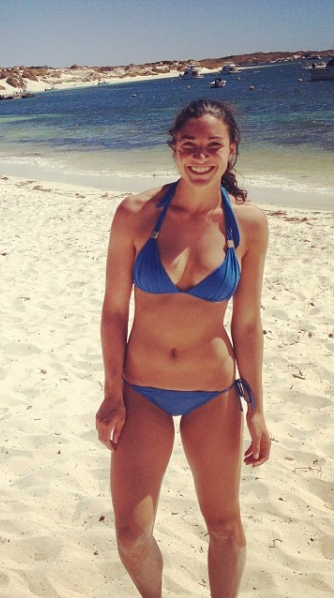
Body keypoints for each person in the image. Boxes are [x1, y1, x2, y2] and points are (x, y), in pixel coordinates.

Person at [96, 99, 271, 598]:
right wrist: (112, 393)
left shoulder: (248, 224)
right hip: (141, 392)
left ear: (231, 151)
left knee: (224, 526)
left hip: (212, 393)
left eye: (213, 146)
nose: (200, 156)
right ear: (174, 148)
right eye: (189, 144)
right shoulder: (135, 214)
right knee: (131, 536)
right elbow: (114, 311)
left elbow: (247, 324)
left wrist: (257, 408)